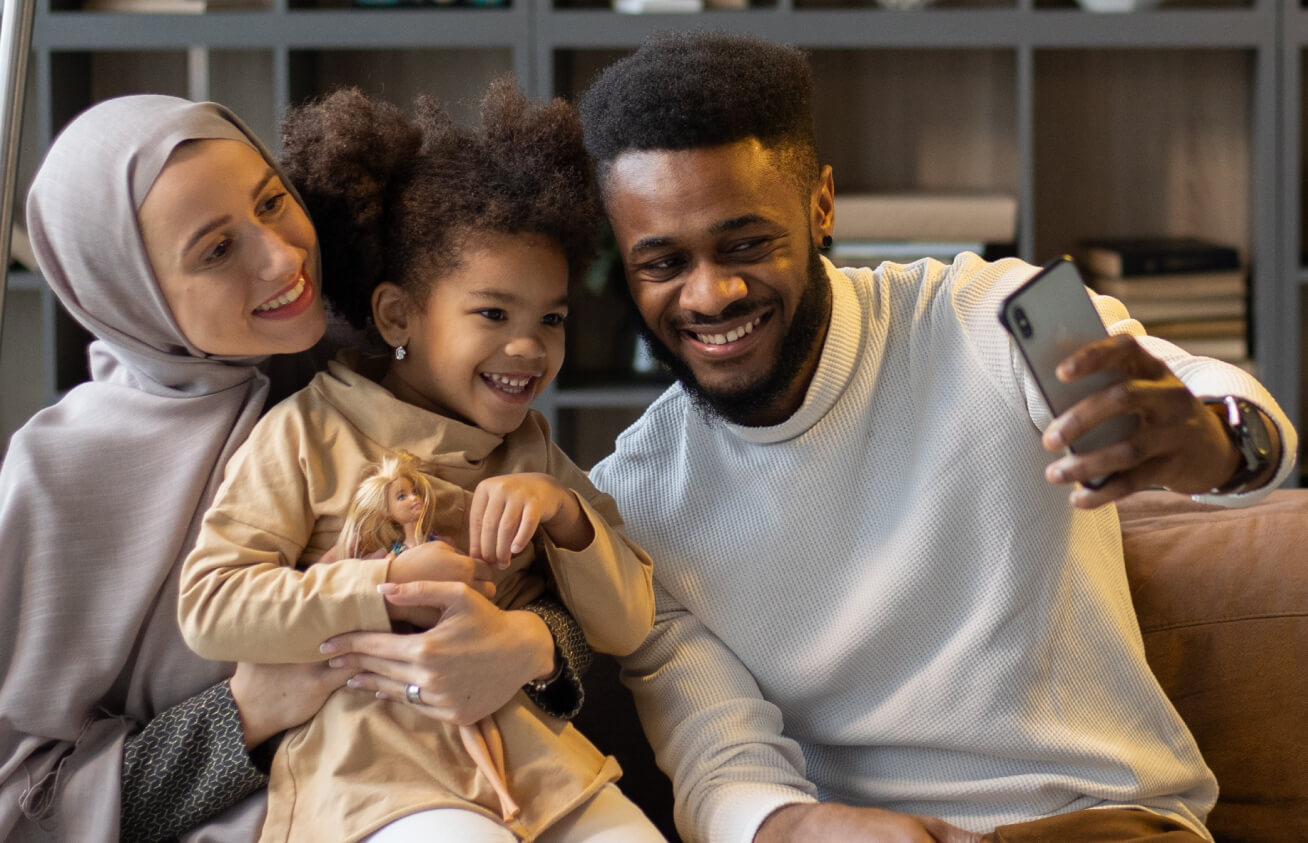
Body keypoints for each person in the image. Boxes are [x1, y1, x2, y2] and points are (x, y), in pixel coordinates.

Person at [578, 32, 1299, 843]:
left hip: (1093, 821)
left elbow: (1197, 385)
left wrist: (1224, 442)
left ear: (820, 207)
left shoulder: (996, 313)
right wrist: (798, 826)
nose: (710, 294)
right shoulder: (635, 499)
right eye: (662, 263)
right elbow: (720, 757)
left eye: (745, 243)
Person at [0, 94, 592, 843]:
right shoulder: (60, 476)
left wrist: (527, 645)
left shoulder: (374, 368)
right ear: (130, 293)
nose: (283, 257)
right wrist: (245, 712)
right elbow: (25, 809)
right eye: (216, 250)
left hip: (470, 789)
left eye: (272, 201)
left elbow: (542, 578)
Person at [176, 82, 661, 843]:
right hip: (374, 778)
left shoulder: (531, 450)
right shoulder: (306, 432)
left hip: (538, 773)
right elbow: (211, 606)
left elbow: (629, 622)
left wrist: (567, 515)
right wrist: (382, 584)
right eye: (493, 313)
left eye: (553, 318)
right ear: (399, 314)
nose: (530, 346)